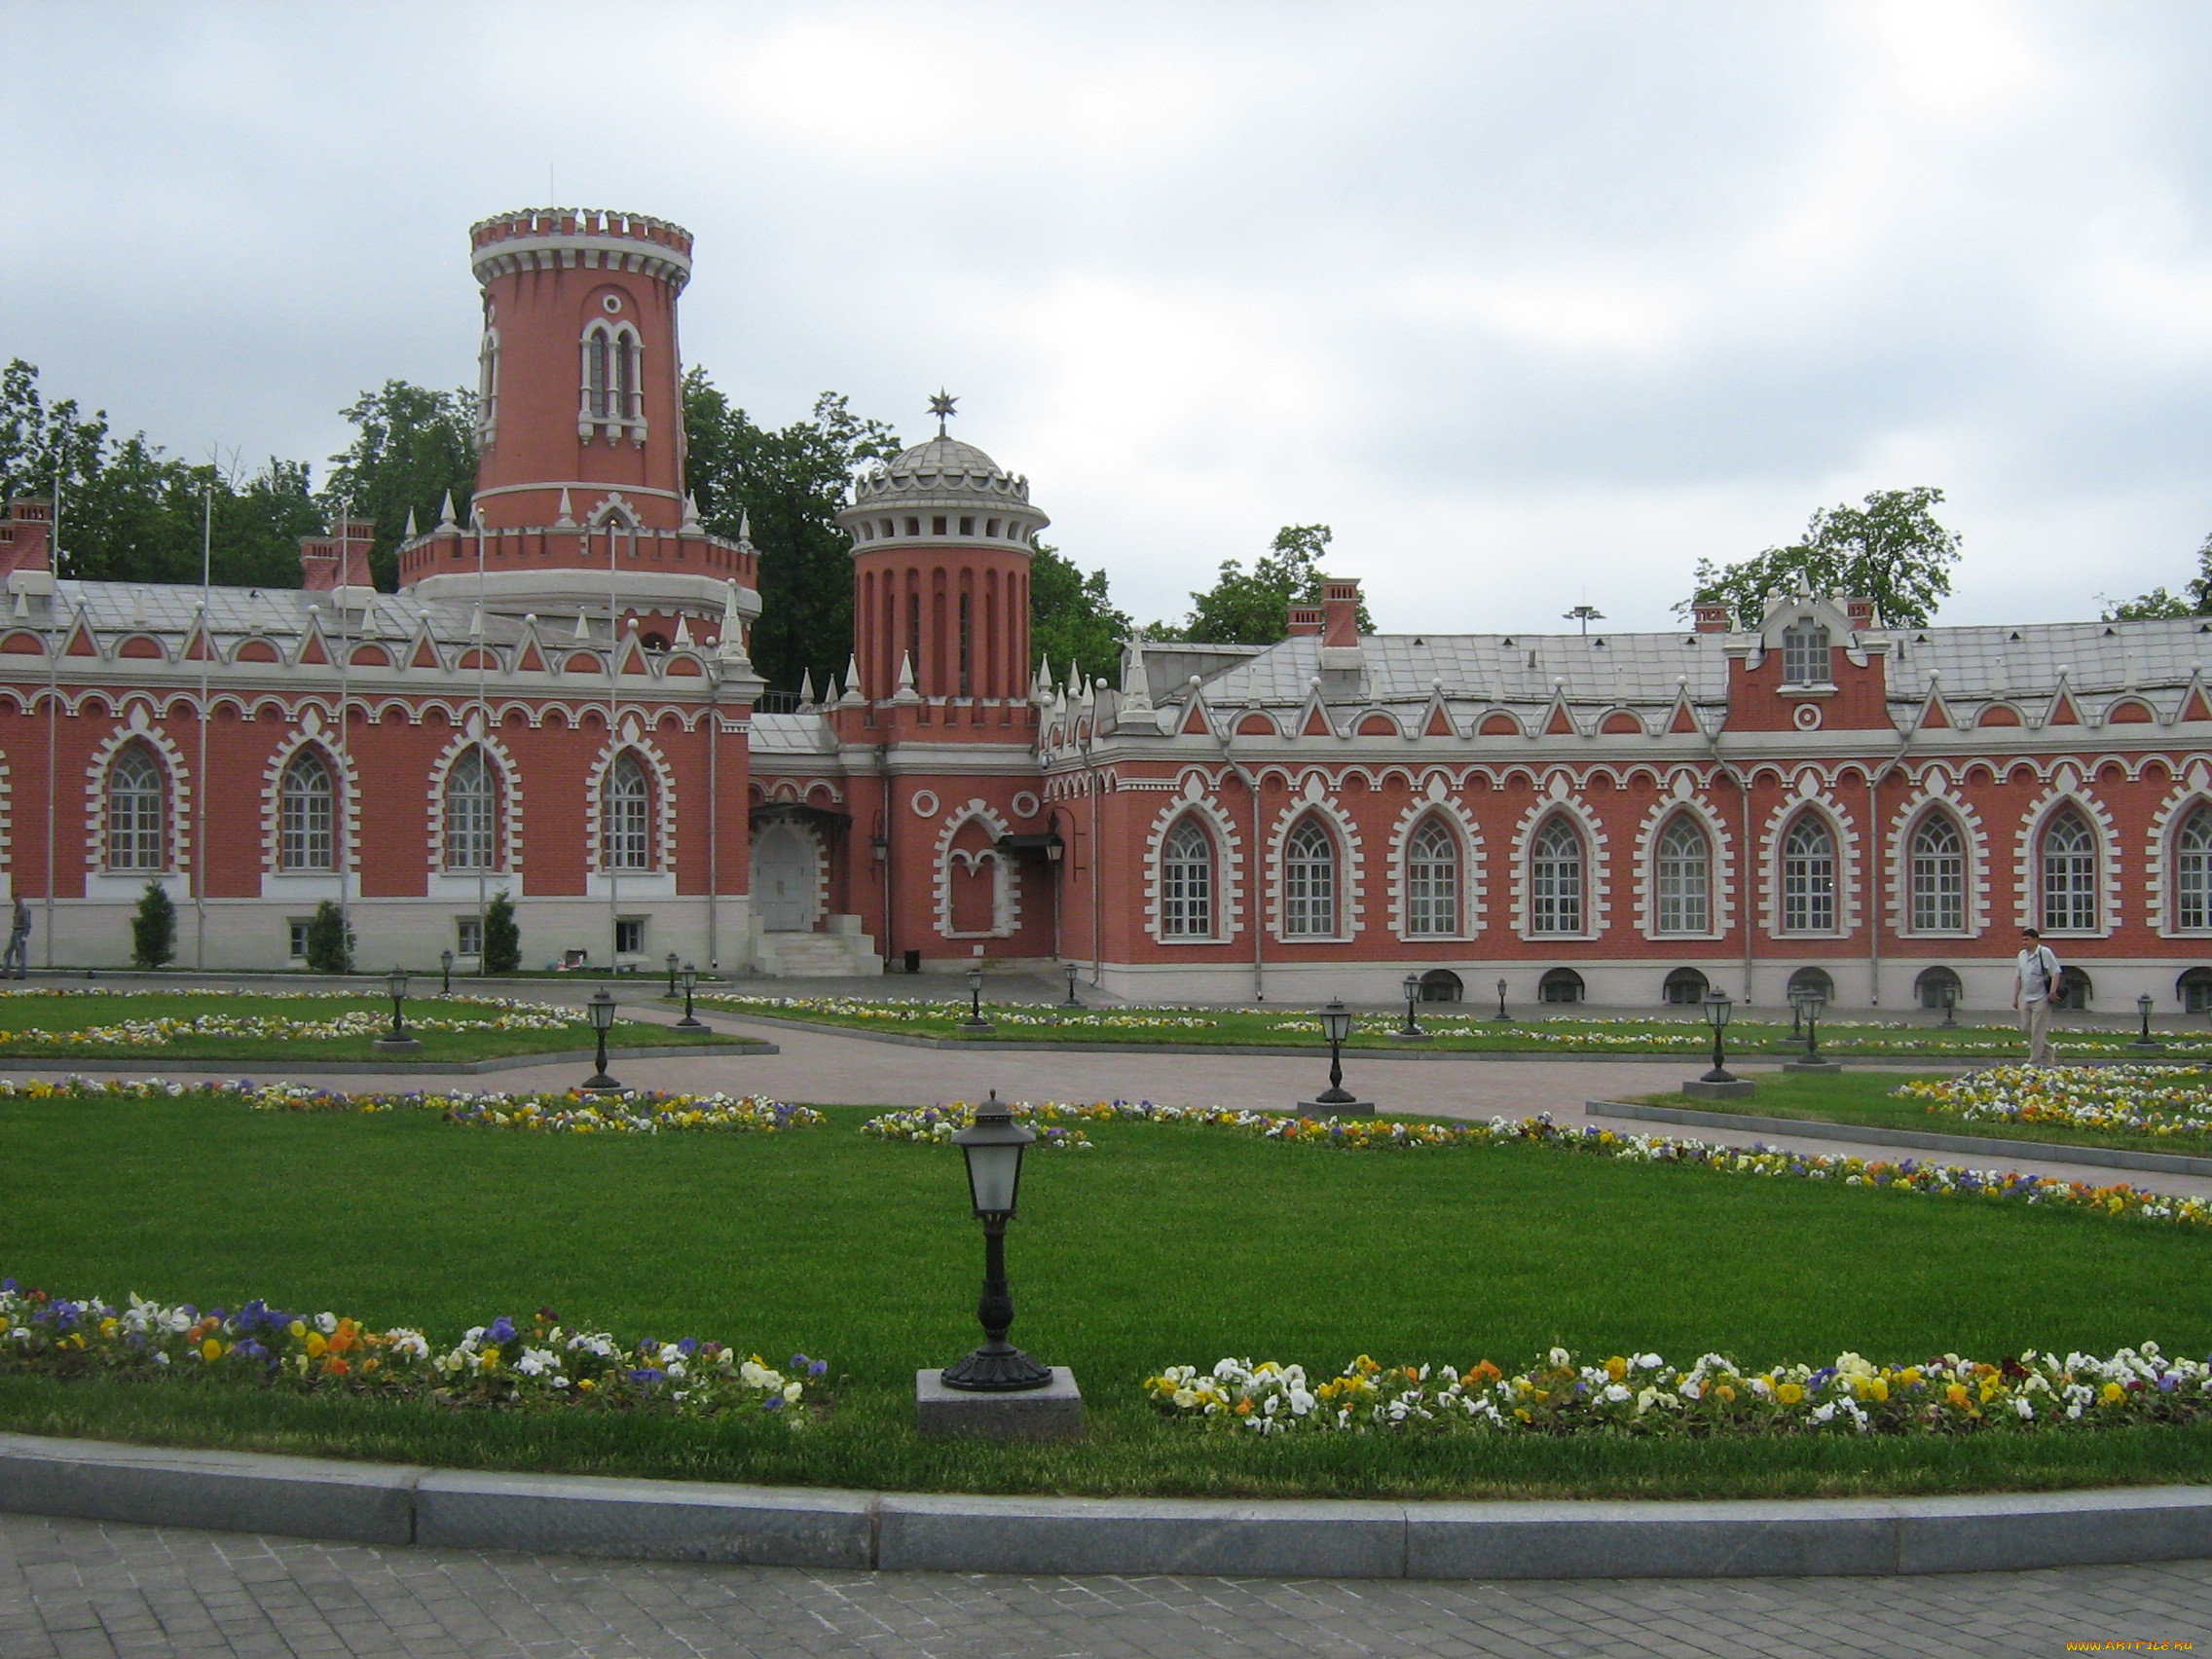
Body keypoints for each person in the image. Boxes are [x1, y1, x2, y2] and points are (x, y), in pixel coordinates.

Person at [2012, 926, 2061, 1065]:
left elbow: (2055, 972)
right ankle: (2049, 1050)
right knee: (2026, 1028)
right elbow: (2019, 977)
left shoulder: (2044, 952)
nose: (2024, 942)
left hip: (2041, 998)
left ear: (2035, 940)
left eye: (2027, 940)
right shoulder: (2021, 955)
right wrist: (2015, 997)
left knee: (2038, 1031)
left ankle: (2033, 1061)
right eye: (2023, 940)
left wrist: (2052, 991)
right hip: (2026, 997)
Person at [2, 896, 29, 979]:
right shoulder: (17, 908)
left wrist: (25, 935)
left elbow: (27, 924)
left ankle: (21, 973)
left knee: (20, 953)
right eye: (14, 899)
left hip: (20, 931)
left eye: (16, 899)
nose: (15, 901)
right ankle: (5, 972)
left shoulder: (24, 909)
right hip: (15, 930)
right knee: (8, 952)